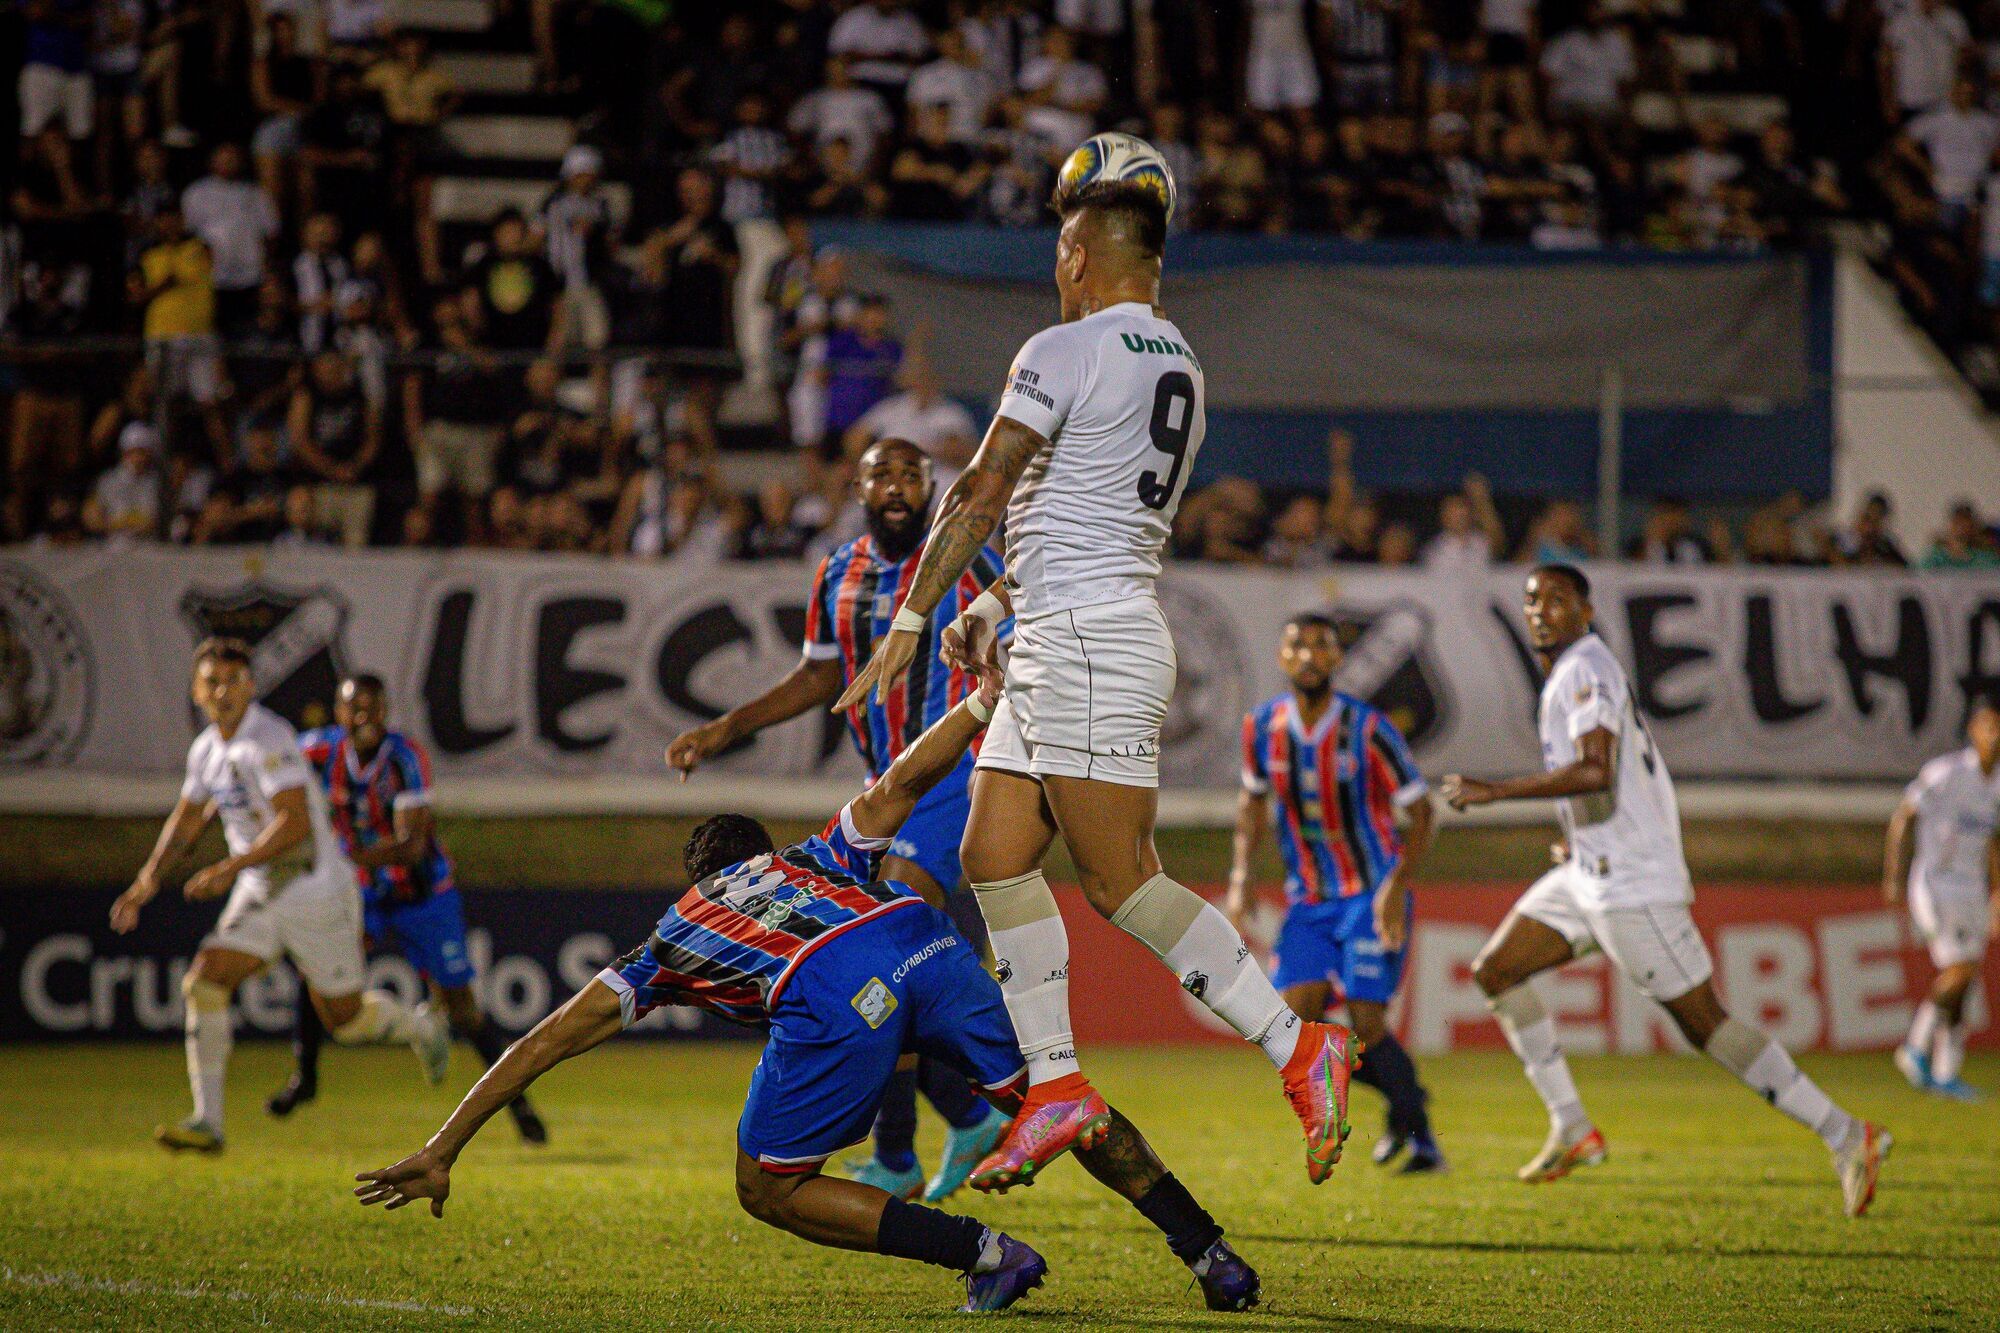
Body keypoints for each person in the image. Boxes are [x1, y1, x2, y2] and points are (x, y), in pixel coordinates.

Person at [356, 677, 1262, 1316]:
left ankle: (987, 1254)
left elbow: (547, 1037)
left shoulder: (677, 928)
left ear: (702, 873)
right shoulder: (814, 853)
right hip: (923, 941)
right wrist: (984, 700)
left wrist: (444, 1146)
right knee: (1056, 1101)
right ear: (760, 847)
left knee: (770, 1185)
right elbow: (902, 779)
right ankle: (1210, 1252)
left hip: (835, 990)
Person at [834, 149, 1358, 1190]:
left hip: (1086, 641)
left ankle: (1299, 1046)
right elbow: (1082, 522)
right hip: (1066, 626)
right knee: (992, 853)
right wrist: (991, 603)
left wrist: (913, 610)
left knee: (1121, 881)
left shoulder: (1063, 347)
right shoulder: (1180, 364)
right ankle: (1056, 1085)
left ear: (1075, 254)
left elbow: (984, 488)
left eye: (1058, 249)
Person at [1439, 566, 1890, 1215]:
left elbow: (1596, 769)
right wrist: (1577, 837)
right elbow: (1615, 779)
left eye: (1558, 599)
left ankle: (1848, 1133)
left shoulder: (1586, 667)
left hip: (1633, 885)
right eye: (1533, 599)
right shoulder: (1570, 671)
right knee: (1497, 968)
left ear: (1586, 610)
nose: (1542, 610)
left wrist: (1495, 791)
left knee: (1705, 1022)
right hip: (1591, 871)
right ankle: (1571, 1125)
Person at [666, 437, 1010, 1204]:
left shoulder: (970, 562)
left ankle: (910, 1145)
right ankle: (944, 1126)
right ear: (856, 488)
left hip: (956, 774)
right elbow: (820, 675)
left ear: (932, 488)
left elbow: (1016, 650)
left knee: (885, 935)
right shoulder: (839, 571)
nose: (895, 484)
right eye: (880, 473)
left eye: (910, 473)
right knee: (882, 963)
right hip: (881, 783)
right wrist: (723, 729)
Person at [109, 638, 449, 1154]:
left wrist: (228, 867)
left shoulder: (265, 738)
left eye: (233, 681)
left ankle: (419, 1026)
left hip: (313, 886)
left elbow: (292, 825)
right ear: (196, 690)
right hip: (262, 885)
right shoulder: (206, 749)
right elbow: (187, 818)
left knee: (347, 1021)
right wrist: (147, 879)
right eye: (211, 681)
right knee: (205, 981)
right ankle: (208, 1121)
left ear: (249, 687)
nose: (222, 691)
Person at [268, 674, 549, 1141]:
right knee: (317, 966)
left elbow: (412, 846)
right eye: (355, 708)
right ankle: (306, 1077)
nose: (365, 718)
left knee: (461, 1007)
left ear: (386, 711)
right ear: (338, 714)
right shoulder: (317, 751)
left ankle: (519, 1105)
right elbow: (269, 770)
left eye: (374, 708)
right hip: (360, 891)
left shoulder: (404, 757)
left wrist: (342, 856)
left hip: (421, 895)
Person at [1226, 614, 1444, 1172]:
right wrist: (1241, 874)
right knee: (1290, 1029)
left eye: (1321, 646)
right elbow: (1251, 802)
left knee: (1368, 1023)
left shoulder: (1368, 728)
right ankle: (1407, 1101)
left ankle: (1421, 1139)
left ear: (1337, 659)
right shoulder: (1262, 728)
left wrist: (1396, 885)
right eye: (1297, 645)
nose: (1309, 656)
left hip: (1371, 896)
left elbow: (1421, 810)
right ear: (1281, 656)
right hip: (1310, 901)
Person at [1884, 697, 1999, 1101]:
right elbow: (1904, 816)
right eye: (1990, 726)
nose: (1995, 736)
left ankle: (1946, 1071)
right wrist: (1894, 876)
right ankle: (1915, 1048)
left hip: (1972, 888)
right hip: (1936, 882)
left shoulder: (1998, 785)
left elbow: (1994, 845)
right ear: (1974, 730)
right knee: (1962, 968)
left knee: (1966, 979)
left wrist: (1996, 894)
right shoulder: (1946, 773)